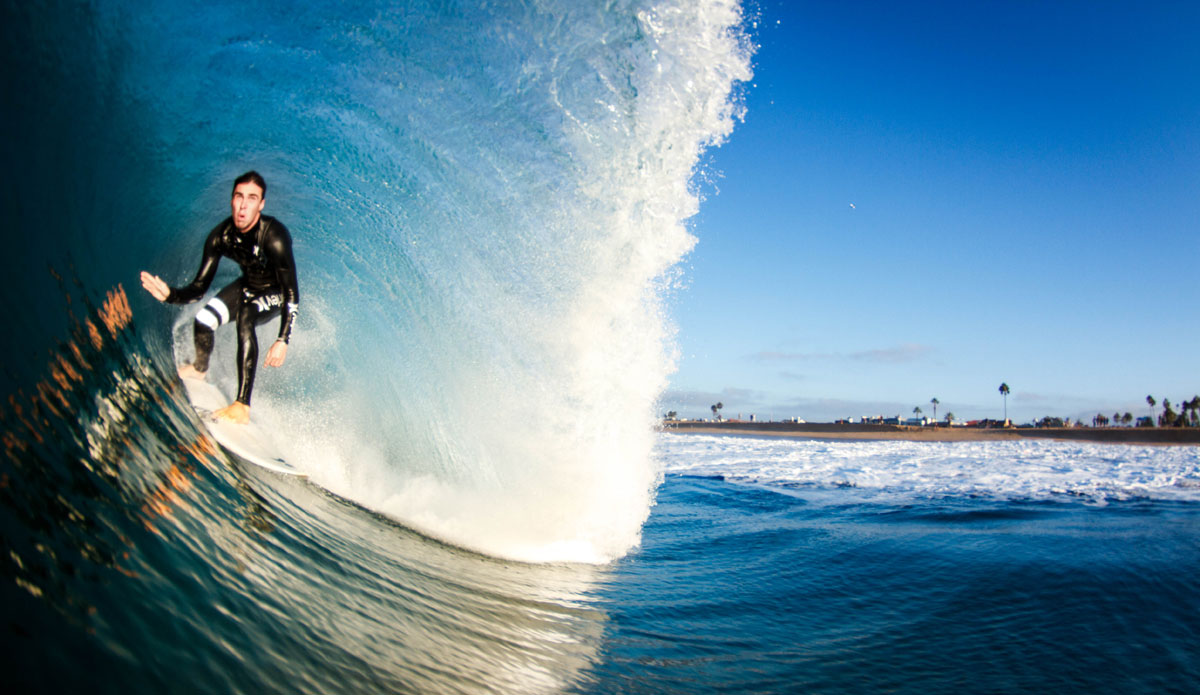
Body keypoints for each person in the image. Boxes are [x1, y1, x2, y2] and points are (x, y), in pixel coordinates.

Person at [141, 171, 299, 424]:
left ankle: (242, 407)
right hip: (247, 286)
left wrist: (283, 338)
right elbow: (199, 288)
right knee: (203, 320)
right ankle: (200, 369)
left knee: (246, 316)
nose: (243, 205)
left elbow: (292, 291)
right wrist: (171, 295)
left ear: (261, 204)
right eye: (239, 197)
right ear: (231, 200)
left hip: (277, 293)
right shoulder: (221, 237)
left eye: (252, 198)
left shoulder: (274, 236)